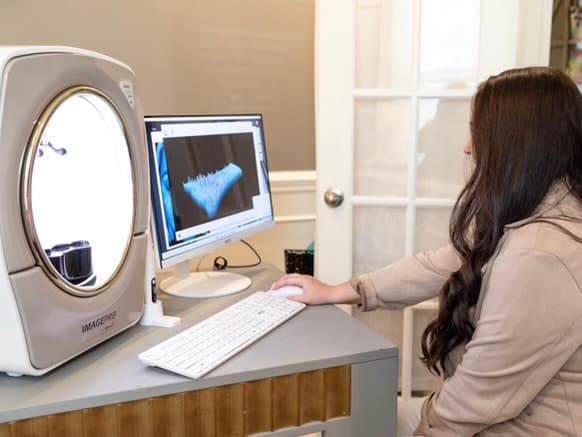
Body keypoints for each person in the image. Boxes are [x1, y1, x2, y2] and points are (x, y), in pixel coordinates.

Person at [272, 66, 582, 436]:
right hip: (503, 412)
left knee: (365, 421)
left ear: (516, 143)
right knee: (361, 417)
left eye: (477, 133)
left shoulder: (542, 255)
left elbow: (473, 400)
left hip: (529, 427)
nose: (468, 146)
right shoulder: (531, 213)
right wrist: (340, 290)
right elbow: (436, 266)